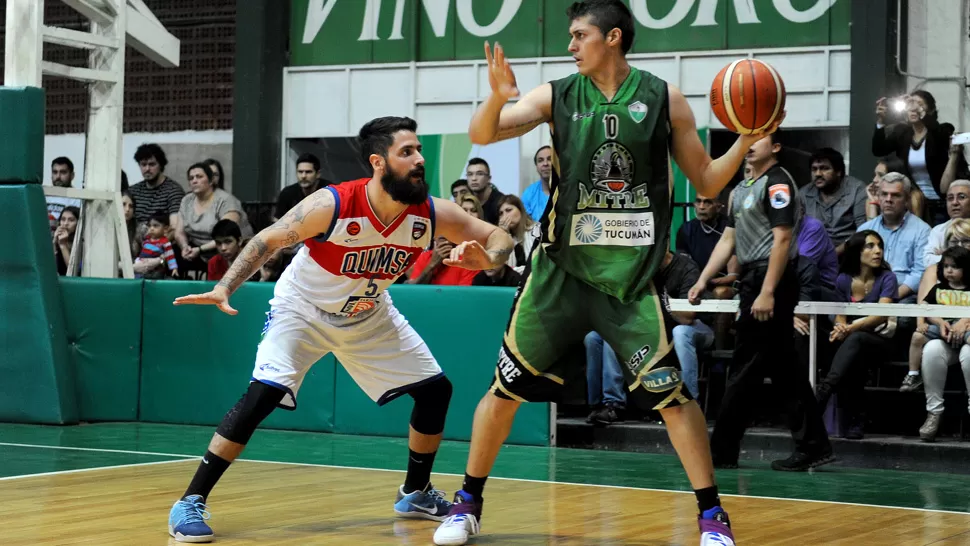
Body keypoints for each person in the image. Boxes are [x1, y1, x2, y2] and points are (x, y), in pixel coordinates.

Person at [432, 2, 781, 545]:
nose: (570, 45)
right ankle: (467, 503)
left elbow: (708, 182)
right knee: (503, 391)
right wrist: (498, 95)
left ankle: (712, 516)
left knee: (673, 396)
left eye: (579, 34)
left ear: (612, 37)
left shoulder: (664, 98)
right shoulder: (557, 94)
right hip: (560, 273)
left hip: (630, 279)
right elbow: (485, 133)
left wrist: (744, 137)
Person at [166, 116, 514, 543]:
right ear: (378, 162)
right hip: (304, 308)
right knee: (264, 393)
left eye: (420, 149)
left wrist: (489, 259)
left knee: (435, 390)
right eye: (407, 152)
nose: (420, 159)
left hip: (369, 313)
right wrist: (224, 287)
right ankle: (189, 500)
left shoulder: (430, 212)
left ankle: (416, 492)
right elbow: (267, 240)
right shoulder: (332, 205)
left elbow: (500, 236)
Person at [692, 131, 834, 470]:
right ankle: (813, 444)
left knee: (744, 368)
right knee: (786, 370)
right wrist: (701, 279)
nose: (751, 143)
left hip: (771, 280)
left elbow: (782, 239)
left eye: (759, 137)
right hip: (753, 280)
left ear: (776, 148)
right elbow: (728, 240)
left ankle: (720, 451)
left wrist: (768, 291)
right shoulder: (740, 189)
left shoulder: (777, 183)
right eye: (746, 137)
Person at [815, 231, 898, 439]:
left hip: (880, 342)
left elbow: (880, 315)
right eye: (870, 246)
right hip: (853, 345)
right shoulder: (843, 280)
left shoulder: (887, 277)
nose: (877, 251)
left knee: (856, 339)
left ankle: (824, 390)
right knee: (852, 354)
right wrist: (841, 327)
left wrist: (849, 328)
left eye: (879, 246)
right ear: (856, 252)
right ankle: (855, 421)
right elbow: (840, 316)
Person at [135, 211, 179, 279]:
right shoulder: (147, 240)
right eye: (150, 226)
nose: (151, 228)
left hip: (156, 270)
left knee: (156, 277)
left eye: (155, 226)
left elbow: (170, 256)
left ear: (165, 229)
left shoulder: (165, 243)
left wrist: (174, 268)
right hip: (141, 268)